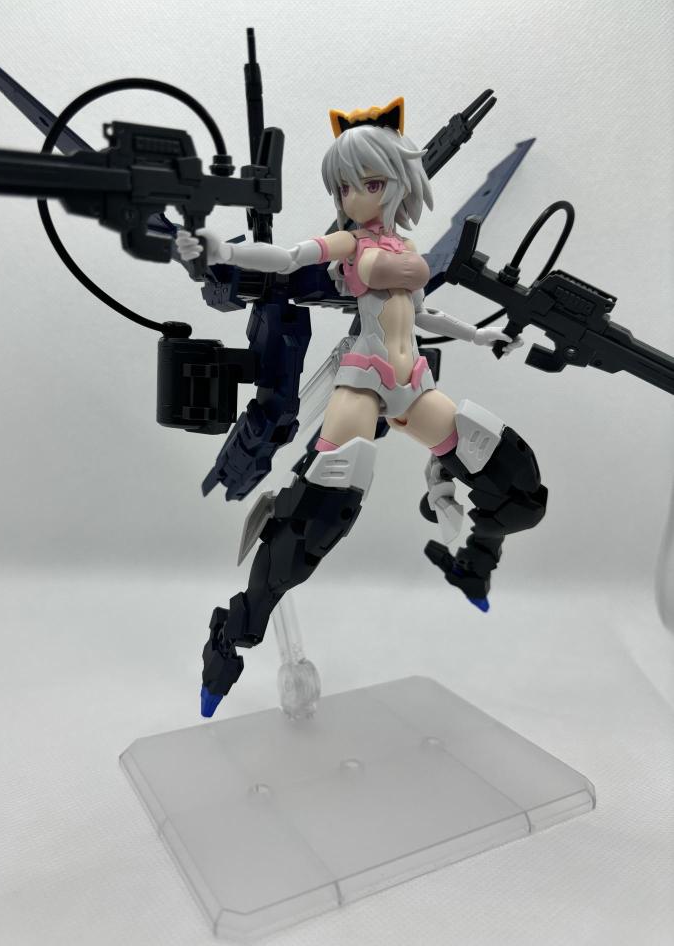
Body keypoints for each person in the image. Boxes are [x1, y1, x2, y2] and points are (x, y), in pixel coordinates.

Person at [176, 96, 547, 716]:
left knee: (515, 481)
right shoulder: (348, 242)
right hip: (364, 383)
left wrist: (481, 336)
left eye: (368, 183)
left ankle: (475, 560)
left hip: (413, 384)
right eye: (345, 187)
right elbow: (288, 259)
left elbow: (422, 313)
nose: (354, 196)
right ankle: (230, 638)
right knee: (315, 522)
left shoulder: (400, 244)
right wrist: (225, 253)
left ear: (399, 181)